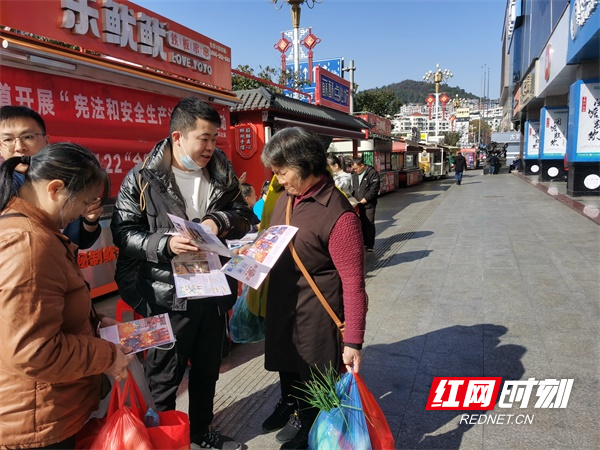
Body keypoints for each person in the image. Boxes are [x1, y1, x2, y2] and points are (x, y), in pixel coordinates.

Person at [111, 96, 253, 450]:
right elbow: (124, 233)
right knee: (163, 376)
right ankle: (163, 439)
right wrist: (165, 245)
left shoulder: (221, 170)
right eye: (203, 139)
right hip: (164, 297)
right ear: (178, 137)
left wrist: (217, 221)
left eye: (215, 139)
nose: (210, 147)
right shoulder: (143, 179)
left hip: (212, 289)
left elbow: (242, 216)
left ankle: (202, 432)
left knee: (208, 370)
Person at [0, 143, 133, 449]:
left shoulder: (35, 231)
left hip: (44, 409)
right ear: (56, 189)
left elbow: (43, 313)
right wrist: (108, 355)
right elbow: (33, 351)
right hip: (36, 420)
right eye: (85, 202)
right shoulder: (29, 243)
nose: (84, 213)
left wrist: (94, 321)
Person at [259, 127, 368, 449]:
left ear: (306, 164)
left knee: (316, 382)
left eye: (283, 171)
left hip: (317, 317)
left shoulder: (339, 214)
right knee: (289, 371)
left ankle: (313, 434)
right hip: (285, 308)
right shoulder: (287, 198)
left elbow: (353, 283)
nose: (279, 180)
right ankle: (297, 416)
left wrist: (353, 341)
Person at [0, 105, 102, 249]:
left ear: (46, 141)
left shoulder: (66, 177)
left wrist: (89, 220)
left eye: (28, 137)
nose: (19, 147)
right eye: (8, 140)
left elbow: (76, 243)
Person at [351, 156, 380, 252]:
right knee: (360, 223)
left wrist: (366, 199)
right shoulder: (354, 175)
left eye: (356, 168)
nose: (355, 170)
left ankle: (370, 244)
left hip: (368, 204)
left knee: (369, 223)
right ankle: (363, 242)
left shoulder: (372, 173)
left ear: (362, 165)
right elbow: (353, 189)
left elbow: (374, 189)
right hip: (357, 203)